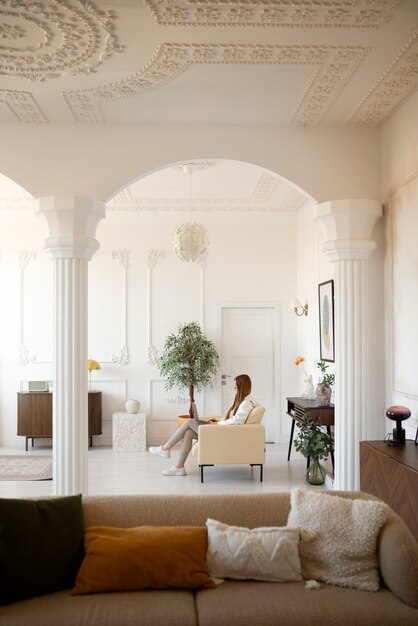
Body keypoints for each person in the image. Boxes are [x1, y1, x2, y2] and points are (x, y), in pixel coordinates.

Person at [149, 374, 254, 476]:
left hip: (223, 433)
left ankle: (165, 448)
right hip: (221, 429)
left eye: (236, 388)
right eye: (234, 388)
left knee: (190, 422)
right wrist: (217, 420)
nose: (234, 390)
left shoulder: (246, 403)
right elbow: (230, 418)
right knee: (189, 433)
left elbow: (237, 421)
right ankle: (179, 467)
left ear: (243, 388)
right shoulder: (239, 402)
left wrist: (217, 424)